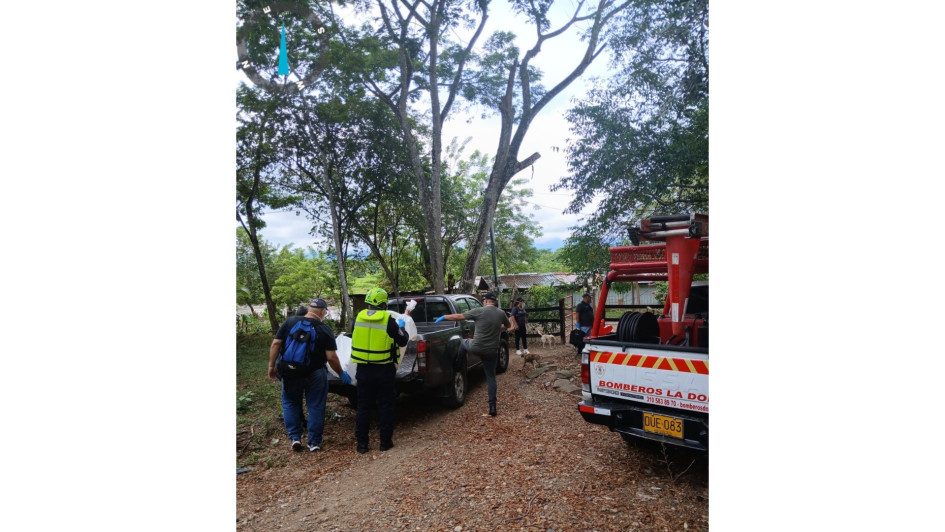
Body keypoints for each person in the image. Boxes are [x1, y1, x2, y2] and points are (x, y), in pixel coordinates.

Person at [268, 298, 351, 452]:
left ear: (308, 309)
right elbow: (331, 357)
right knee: (316, 406)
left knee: (290, 403)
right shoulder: (324, 329)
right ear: (322, 311)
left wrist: (272, 365)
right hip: (315, 374)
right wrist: (341, 373)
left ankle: (294, 437)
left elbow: (276, 344)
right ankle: (314, 442)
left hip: (290, 372)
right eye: (325, 312)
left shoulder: (290, 322)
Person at [350, 287, 409, 454]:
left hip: (363, 370)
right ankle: (385, 442)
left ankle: (362, 445)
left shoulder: (357, 319)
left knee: (363, 407)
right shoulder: (387, 320)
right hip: (384, 370)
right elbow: (403, 341)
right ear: (383, 304)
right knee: (386, 406)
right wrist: (402, 327)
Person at [435, 292, 510, 417]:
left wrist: (444, 317)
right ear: (494, 302)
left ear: (485, 301)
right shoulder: (501, 313)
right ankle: (492, 407)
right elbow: (507, 326)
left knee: (464, 342)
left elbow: (459, 316)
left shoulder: (479, 311)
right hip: (492, 350)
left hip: (476, 347)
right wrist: (497, 327)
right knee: (491, 378)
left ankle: (458, 363)